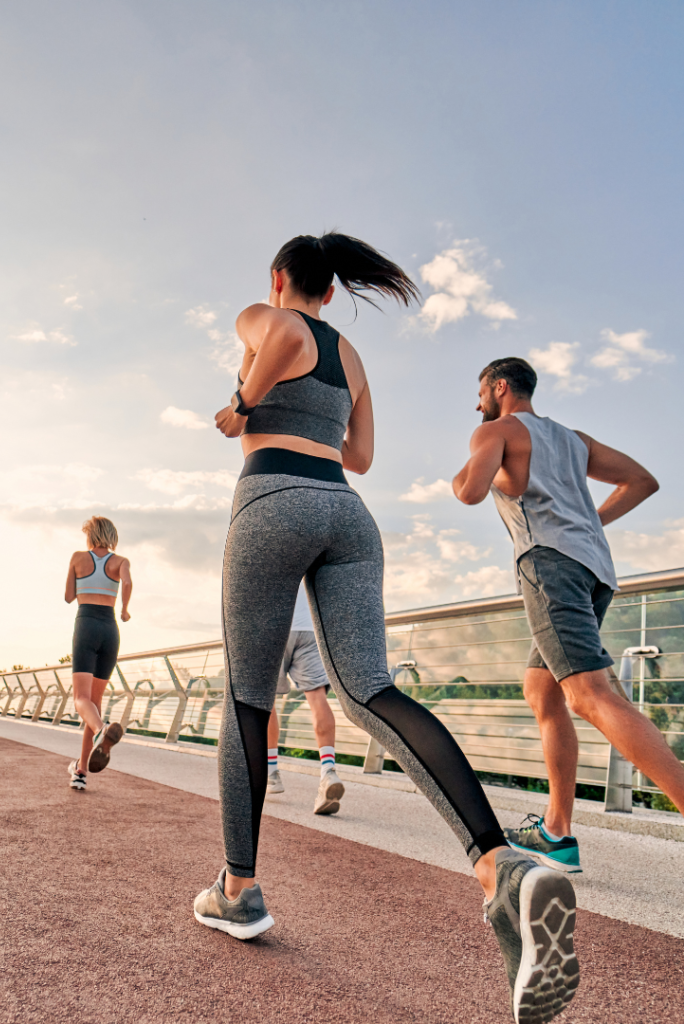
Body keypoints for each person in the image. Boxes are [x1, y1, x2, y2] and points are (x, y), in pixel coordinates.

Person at [192, 233, 578, 1024]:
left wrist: (238, 409)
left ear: (280, 280)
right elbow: (360, 455)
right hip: (348, 514)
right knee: (370, 689)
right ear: (334, 291)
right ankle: (500, 865)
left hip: (272, 501)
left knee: (246, 700)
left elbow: (268, 359)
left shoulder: (265, 316)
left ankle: (238, 888)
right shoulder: (354, 359)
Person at [453, 356, 684, 872]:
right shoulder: (572, 438)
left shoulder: (496, 429)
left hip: (550, 567)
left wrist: (469, 461)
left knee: (589, 696)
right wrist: (588, 521)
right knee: (541, 689)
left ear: (500, 387)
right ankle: (557, 832)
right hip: (594, 569)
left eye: (481, 393)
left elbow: (469, 491)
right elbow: (643, 481)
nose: (478, 404)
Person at [64, 516, 132, 791]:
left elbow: (68, 596)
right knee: (93, 703)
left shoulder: (78, 558)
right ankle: (81, 770)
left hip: (87, 623)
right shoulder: (121, 562)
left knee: (80, 699)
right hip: (110, 628)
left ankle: (102, 731)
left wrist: (79, 578)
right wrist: (125, 609)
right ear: (112, 536)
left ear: (90, 536)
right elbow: (126, 584)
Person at [265, 583, 346, 816]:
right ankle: (328, 770)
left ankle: (271, 772)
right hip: (311, 628)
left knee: (265, 700)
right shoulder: (310, 546)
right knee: (318, 698)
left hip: (275, 626)